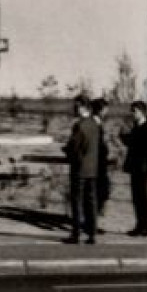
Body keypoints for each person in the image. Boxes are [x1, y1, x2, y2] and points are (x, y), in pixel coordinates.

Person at [62, 96, 102, 244]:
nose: (74, 109)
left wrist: (66, 150)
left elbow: (74, 147)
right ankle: (92, 233)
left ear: (83, 107)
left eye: (76, 106)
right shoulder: (94, 124)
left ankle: (76, 233)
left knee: (77, 201)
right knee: (91, 201)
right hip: (92, 168)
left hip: (79, 168)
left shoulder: (79, 125)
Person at [121, 101, 147, 237]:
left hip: (141, 168)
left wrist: (129, 140)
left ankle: (144, 226)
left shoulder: (146, 128)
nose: (132, 114)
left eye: (134, 111)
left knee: (142, 198)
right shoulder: (138, 127)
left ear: (141, 112)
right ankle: (140, 225)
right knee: (137, 198)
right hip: (137, 167)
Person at [90, 98, 113, 231]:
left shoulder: (99, 123)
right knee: (99, 192)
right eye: (105, 108)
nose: (106, 111)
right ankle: (92, 223)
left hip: (100, 163)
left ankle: (93, 222)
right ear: (100, 110)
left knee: (102, 191)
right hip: (96, 163)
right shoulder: (94, 123)